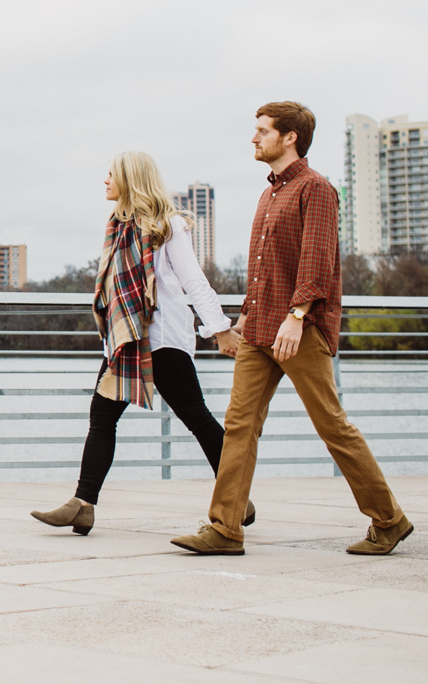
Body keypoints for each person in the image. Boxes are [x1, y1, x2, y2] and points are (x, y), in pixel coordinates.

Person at [170, 102, 414, 557]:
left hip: (300, 329)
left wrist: (297, 316)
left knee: (331, 425)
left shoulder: (316, 189)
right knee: (239, 425)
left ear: (290, 138)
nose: (254, 138)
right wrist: (245, 315)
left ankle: (389, 519)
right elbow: (265, 268)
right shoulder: (268, 194)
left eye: (262, 131)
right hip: (261, 329)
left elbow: (317, 263)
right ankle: (225, 528)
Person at [32, 151, 244, 536]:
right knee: (102, 417)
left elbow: (194, 281)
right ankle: (83, 504)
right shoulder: (118, 226)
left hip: (161, 339)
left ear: (130, 179)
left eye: (111, 174)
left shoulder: (167, 226)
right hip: (126, 339)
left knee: (196, 417)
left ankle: (237, 497)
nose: (105, 180)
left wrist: (219, 328)